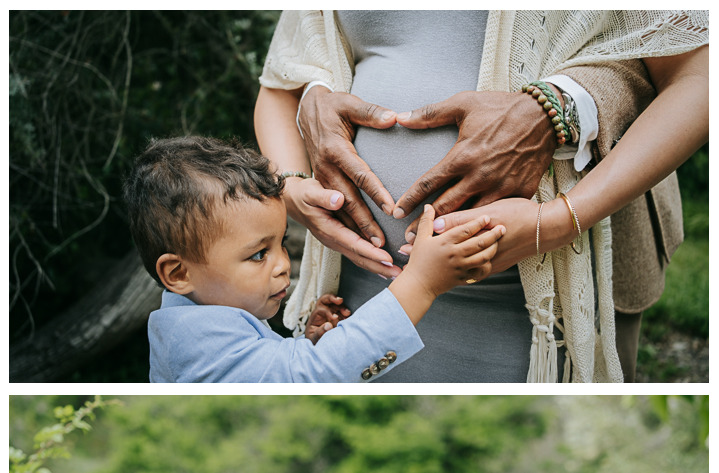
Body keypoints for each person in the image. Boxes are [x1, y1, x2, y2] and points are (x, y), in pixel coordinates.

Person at [256, 10, 709, 382]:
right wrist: (293, 184)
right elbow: (283, 78)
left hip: (540, 284)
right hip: (358, 287)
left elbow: (698, 68)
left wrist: (553, 220)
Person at [123, 135, 505, 383]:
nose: (282, 264)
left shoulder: (197, 307)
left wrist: (302, 343)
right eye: (258, 254)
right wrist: (421, 283)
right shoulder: (197, 342)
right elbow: (305, 378)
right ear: (177, 272)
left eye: (280, 244)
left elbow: (266, 372)